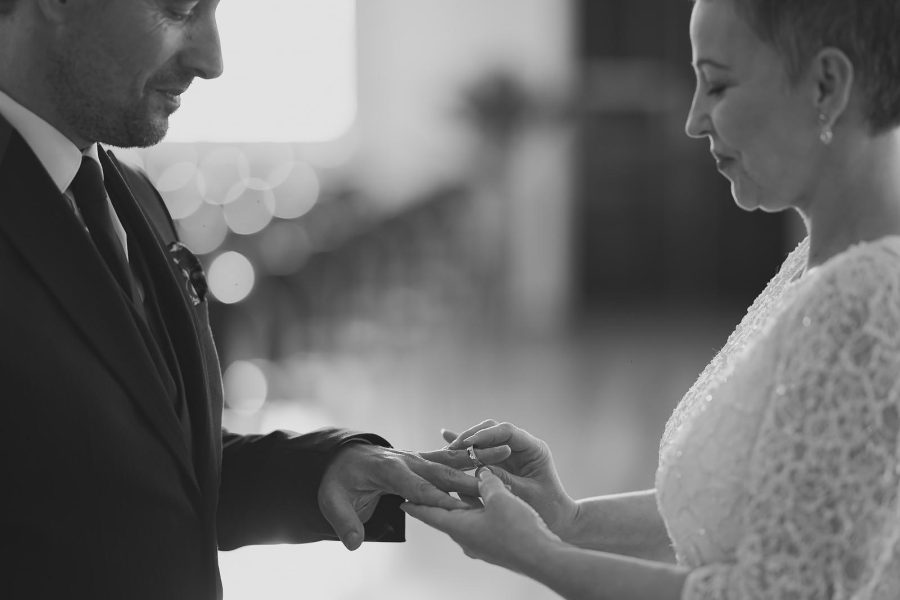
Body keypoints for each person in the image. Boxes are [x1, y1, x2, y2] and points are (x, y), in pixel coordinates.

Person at [403, 0, 900, 597]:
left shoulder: (867, 295)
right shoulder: (820, 264)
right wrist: (570, 520)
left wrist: (536, 555)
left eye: (716, 84)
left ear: (826, 84)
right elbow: (769, 505)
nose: (694, 119)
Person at [0, 1, 485, 598]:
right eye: (178, 9)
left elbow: (146, 464)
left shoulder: (131, 192)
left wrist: (322, 470)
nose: (212, 60)